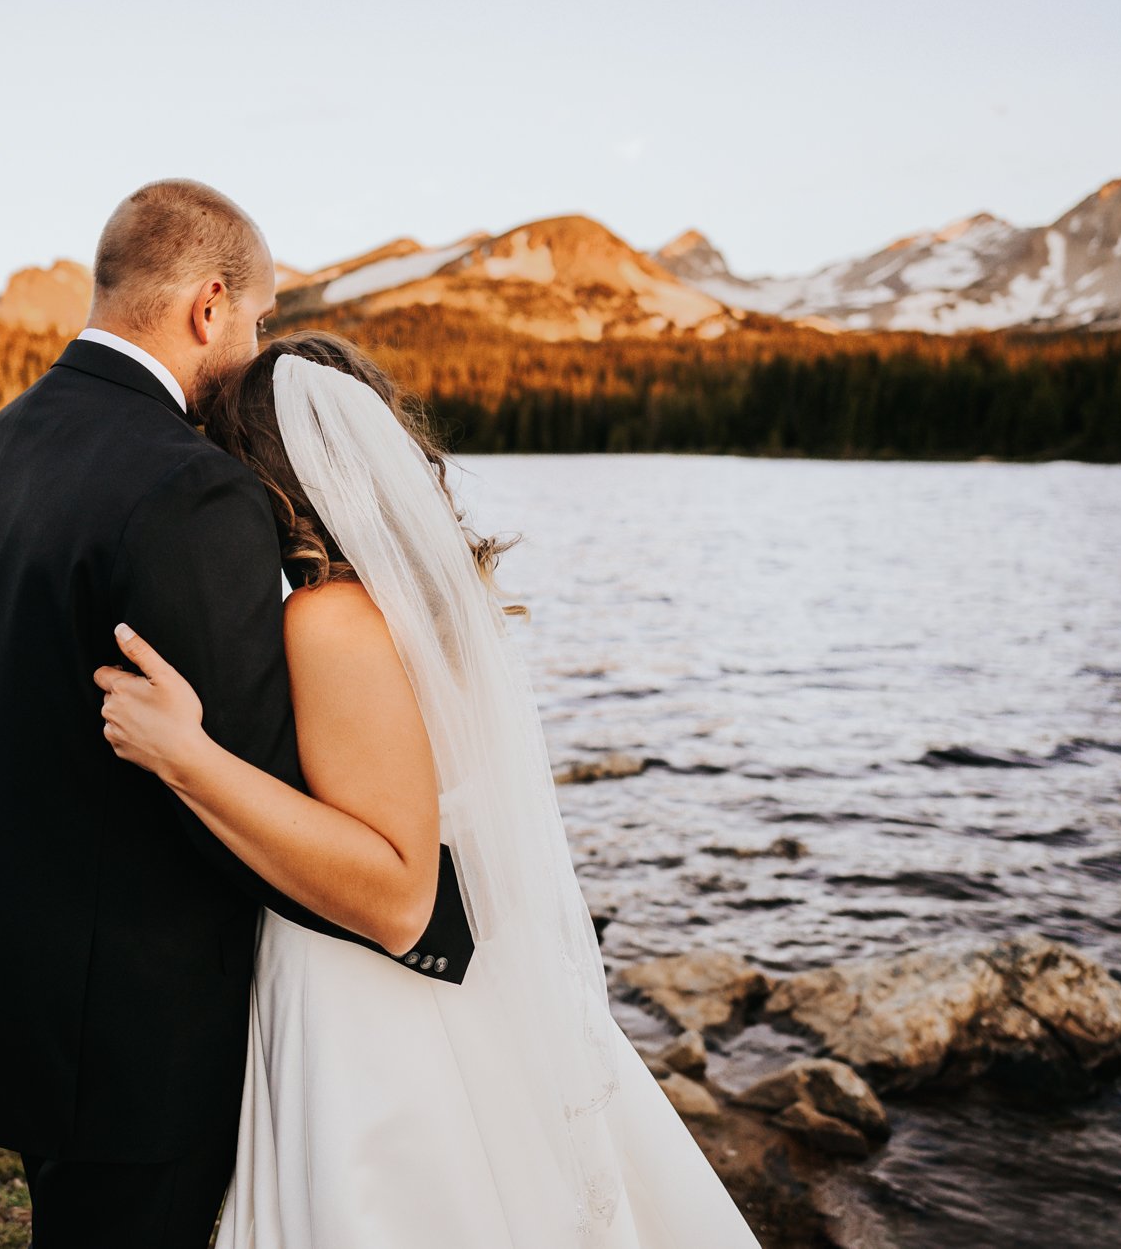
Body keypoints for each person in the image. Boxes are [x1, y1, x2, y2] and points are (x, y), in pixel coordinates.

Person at [94, 330, 767, 1247]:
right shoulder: (432, 597)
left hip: (373, 1009)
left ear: (261, 475)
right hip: (475, 982)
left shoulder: (331, 617)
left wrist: (185, 754)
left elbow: (398, 888)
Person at [0, 179, 473, 1249]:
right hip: (131, 1034)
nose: (254, 352)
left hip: (5, 993)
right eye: (257, 322)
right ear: (208, 306)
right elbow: (266, 790)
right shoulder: (188, 487)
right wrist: (440, 934)